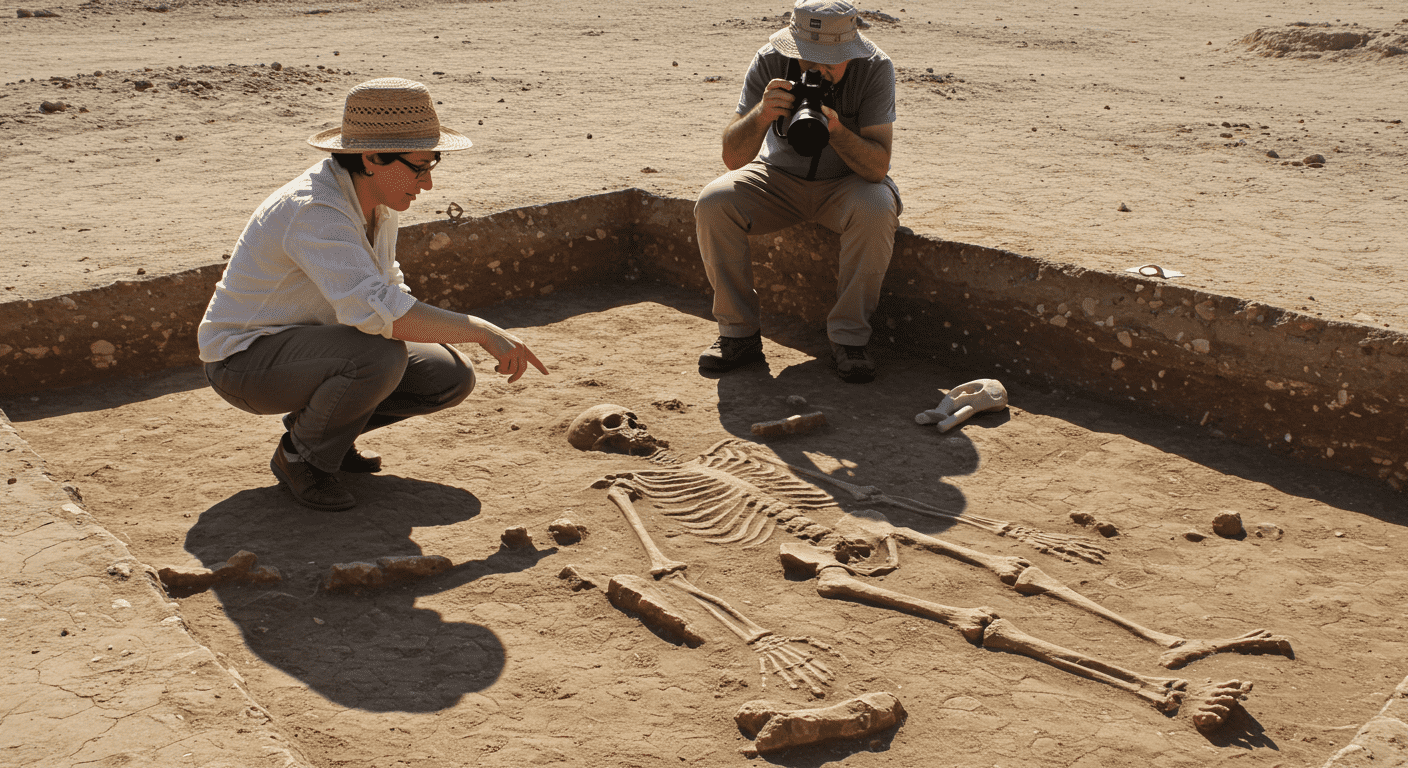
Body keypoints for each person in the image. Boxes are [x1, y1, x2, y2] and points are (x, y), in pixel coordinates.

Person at [198, 78, 548, 512]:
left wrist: (466, 334)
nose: (427, 184)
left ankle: (322, 433)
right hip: (243, 364)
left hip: (311, 350)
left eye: (432, 165)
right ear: (370, 157)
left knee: (448, 374)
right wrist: (479, 329)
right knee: (379, 357)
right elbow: (376, 311)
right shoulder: (316, 210)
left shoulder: (375, 201)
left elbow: (387, 291)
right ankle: (301, 458)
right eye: (418, 167)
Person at [695, 0, 901, 384]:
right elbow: (733, 158)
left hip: (847, 183)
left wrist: (836, 130)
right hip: (778, 178)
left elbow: (877, 167)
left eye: (830, 60)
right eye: (808, 59)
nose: (818, 69)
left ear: (851, 50)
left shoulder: (875, 68)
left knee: (876, 207)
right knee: (714, 202)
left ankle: (850, 339)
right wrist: (762, 113)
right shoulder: (770, 60)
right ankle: (738, 334)